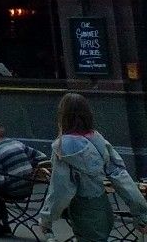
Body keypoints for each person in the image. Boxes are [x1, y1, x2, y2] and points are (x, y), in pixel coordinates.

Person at [40, 93, 147, 242]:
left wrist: (46, 218)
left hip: (82, 209)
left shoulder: (62, 146)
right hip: (102, 207)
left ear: (63, 116)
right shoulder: (97, 138)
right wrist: (141, 213)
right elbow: (120, 176)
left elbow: (61, 189)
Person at [0, 120, 41, 237]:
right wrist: (28, 170)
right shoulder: (17, 143)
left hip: (13, 191)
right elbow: (41, 156)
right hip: (28, 189)